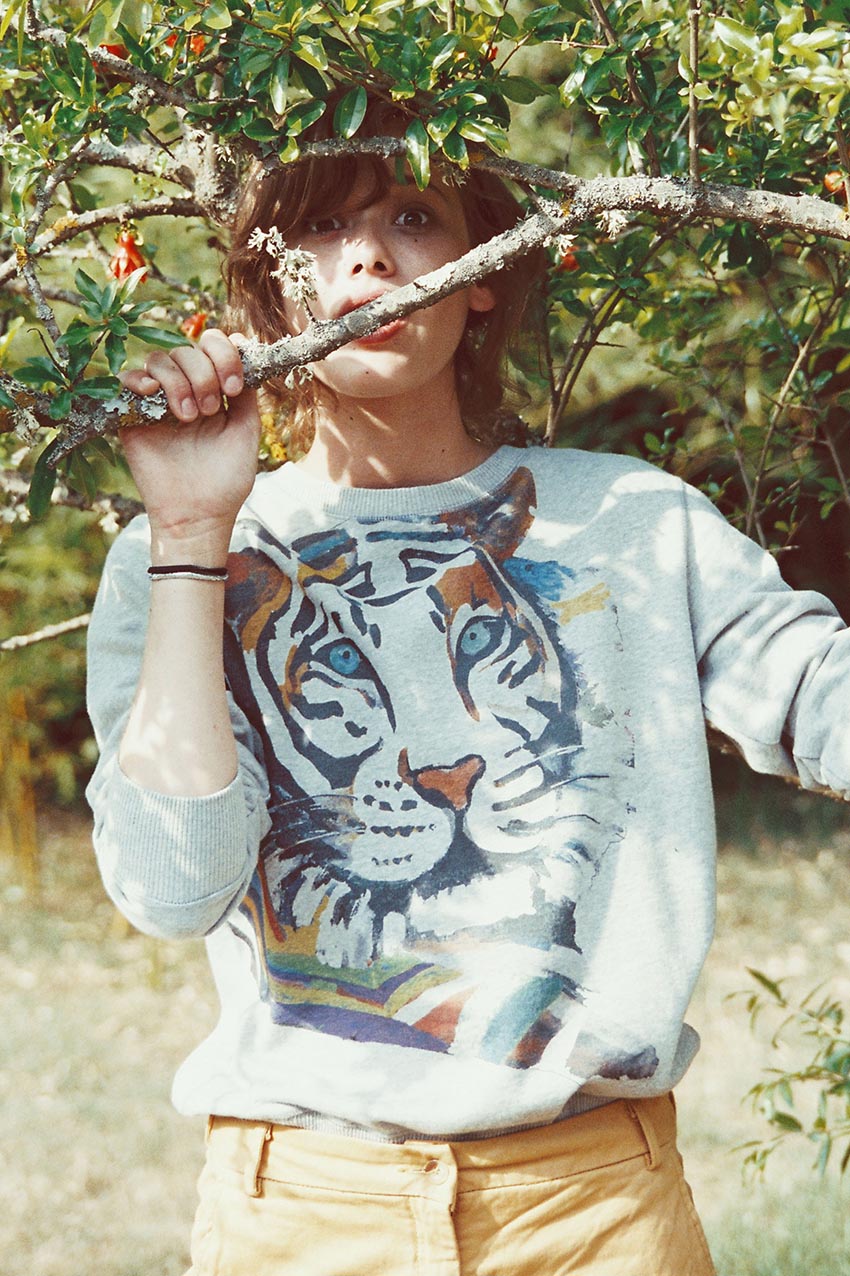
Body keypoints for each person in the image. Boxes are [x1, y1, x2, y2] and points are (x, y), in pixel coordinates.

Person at [85, 95, 850, 1276]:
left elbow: (820, 697)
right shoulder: (185, 551)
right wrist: (190, 530)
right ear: (269, 292)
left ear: (481, 271)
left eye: (412, 216)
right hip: (300, 1208)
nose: (369, 259)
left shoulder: (631, 519)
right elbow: (173, 887)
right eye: (320, 229)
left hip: (593, 1205)